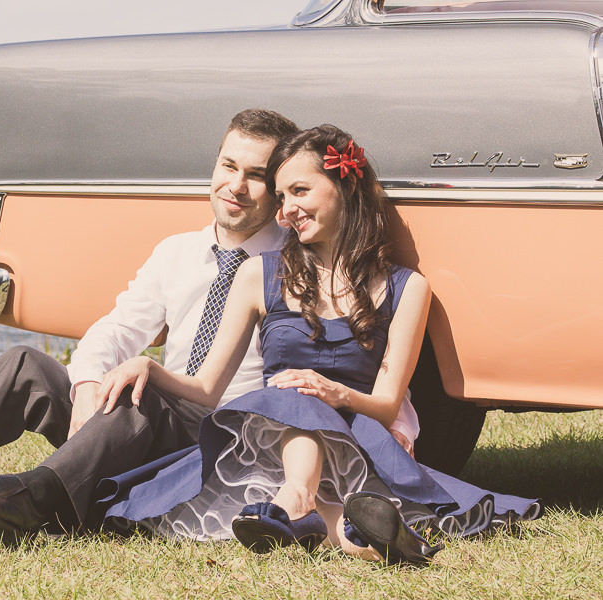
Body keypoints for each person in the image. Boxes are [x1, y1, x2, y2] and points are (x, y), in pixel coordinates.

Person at [0, 110, 417, 542]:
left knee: (143, 388)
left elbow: (333, 356)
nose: (236, 186)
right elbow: (117, 327)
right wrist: (88, 387)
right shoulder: (176, 252)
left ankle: (35, 497)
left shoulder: (291, 264)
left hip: (217, 424)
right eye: (227, 166)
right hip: (146, 406)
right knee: (27, 367)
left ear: (279, 189)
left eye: (256, 176)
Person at [94, 125, 543, 563]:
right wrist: (149, 368)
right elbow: (207, 389)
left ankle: (325, 524)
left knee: (307, 395)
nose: (286, 209)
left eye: (299, 191)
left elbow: (387, 404)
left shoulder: (409, 288)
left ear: (344, 188)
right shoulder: (259, 275)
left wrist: (335, 392)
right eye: (282, 196)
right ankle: (311, 506)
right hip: (270, 443)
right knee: (294, 394)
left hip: (359, 438)